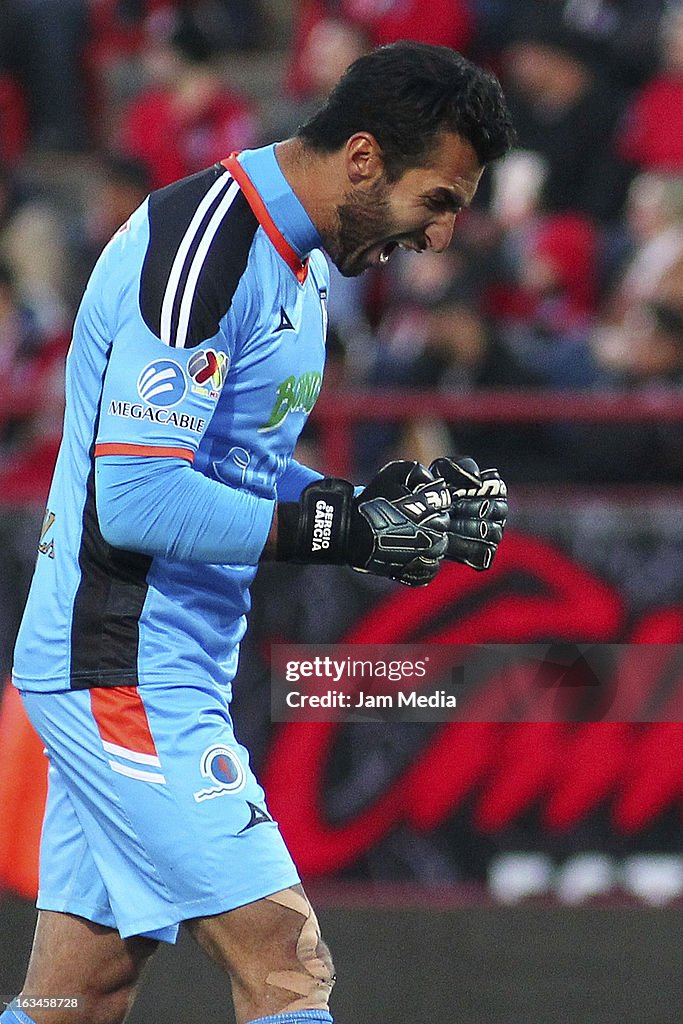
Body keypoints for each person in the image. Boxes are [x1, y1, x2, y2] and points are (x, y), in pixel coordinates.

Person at [5, 41, 513, 1024]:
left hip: (154, 664)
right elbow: (140, 499)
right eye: (437, 200)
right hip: (119, 665)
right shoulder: (208, 250)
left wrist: (374, 508)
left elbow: (230, 465)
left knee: (78, 993)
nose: (441, 237)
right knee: (286, 964)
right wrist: (343, 531)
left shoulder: (301, 264)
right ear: (362, 159)